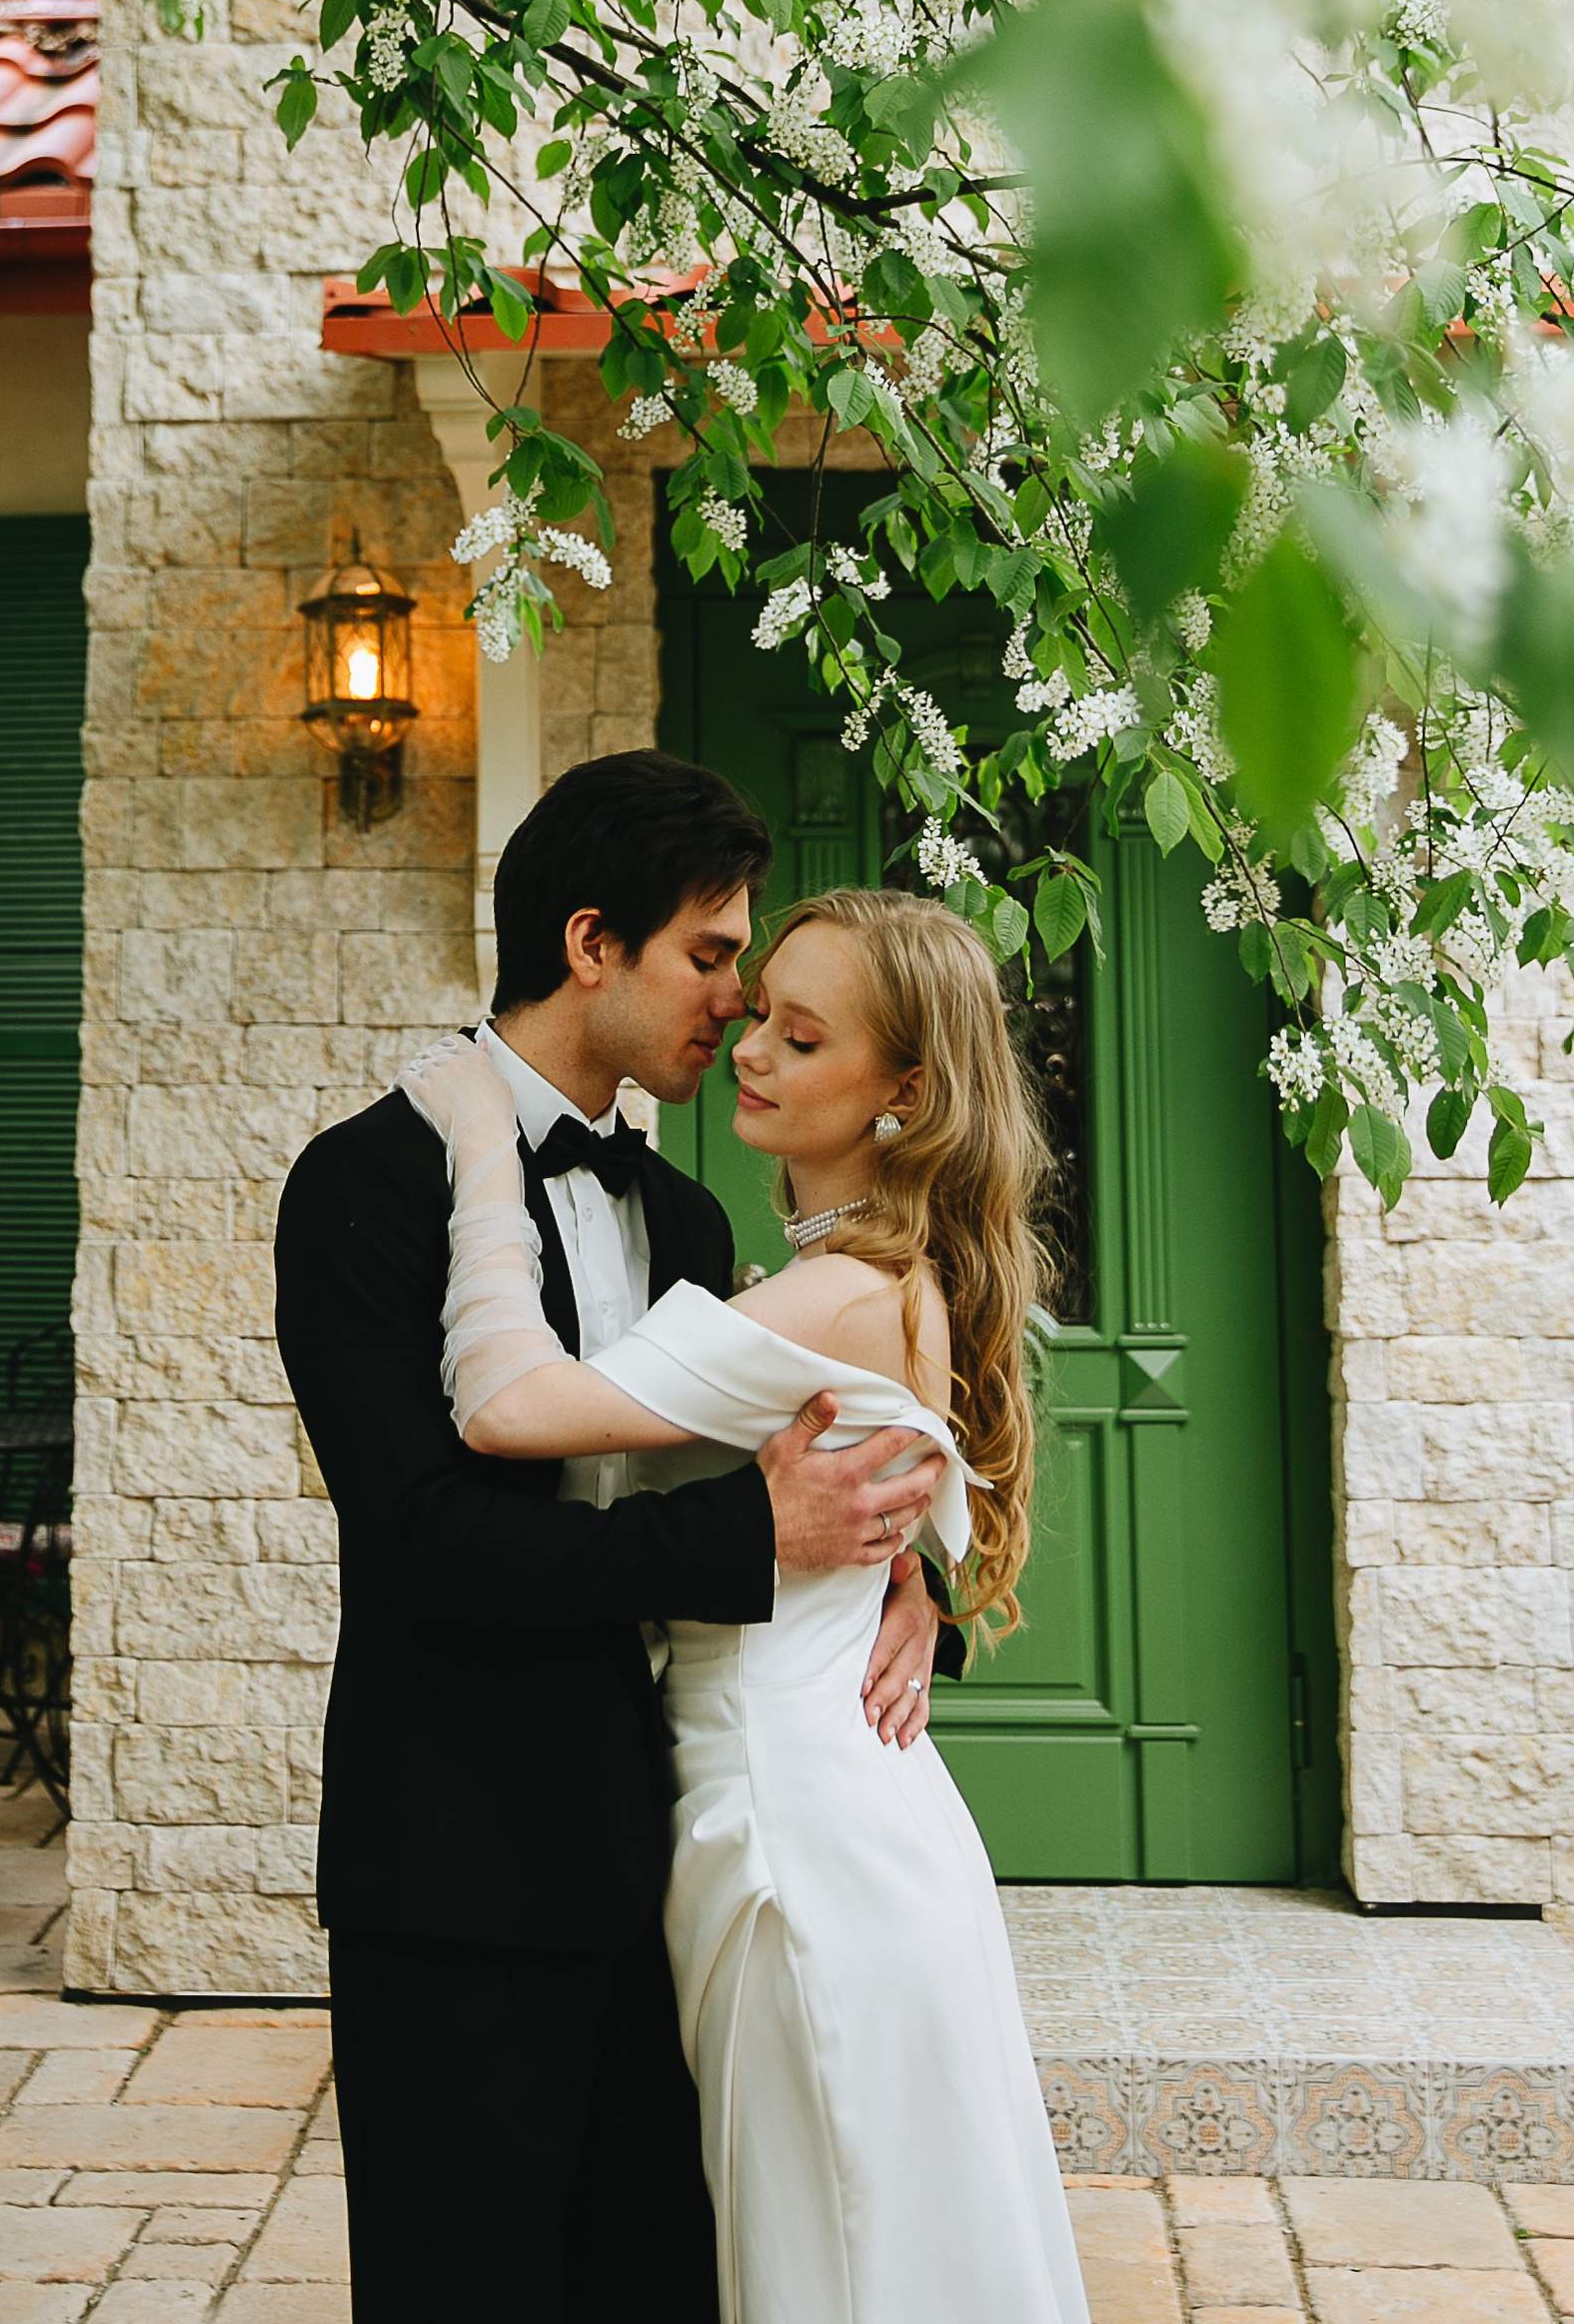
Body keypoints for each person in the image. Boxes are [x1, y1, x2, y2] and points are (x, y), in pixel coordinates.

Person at [274, 754, 950, 2324]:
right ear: (593, 944)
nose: (735, 1003)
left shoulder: (698, 1225)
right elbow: (430, 1545)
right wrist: (755, 1535)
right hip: (456, 1871)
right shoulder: (359, 1189)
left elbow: (839, 1459)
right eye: (712, 959)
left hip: (685, 1870)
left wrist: (906, 1589)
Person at [409, 882, 1090, 2324]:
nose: (751, 1048)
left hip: (792, 1838)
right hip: (861, 1810)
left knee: (826, 2256)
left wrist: (478, 1143)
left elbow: (507, 1405)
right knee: (882, 2245)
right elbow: (879, 1496)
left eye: (800, 1033)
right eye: (756, 1008)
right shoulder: (889, 1277)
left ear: (905, 1089)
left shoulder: (838, 1293)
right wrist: (907, 1579)